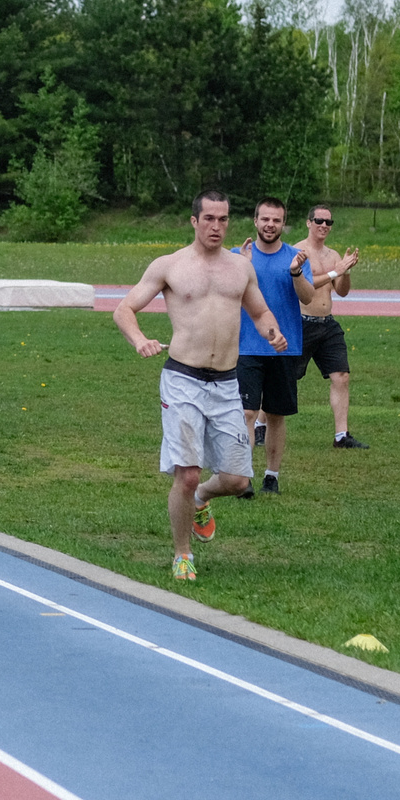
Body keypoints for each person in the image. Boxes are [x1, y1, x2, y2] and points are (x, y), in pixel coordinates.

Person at [113, 190, 287, 582]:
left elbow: (259, 311)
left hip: (227, 382)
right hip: (182, 380)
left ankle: (201, 499)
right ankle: (182, 554)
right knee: (187, 472)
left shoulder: (240, 268)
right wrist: (139, 339)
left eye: (223, 219)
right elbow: (124, 309)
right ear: (194, 221)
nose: (217, 226)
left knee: (237, 481)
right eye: (209, 218)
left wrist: (272, 332)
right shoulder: (170, 265)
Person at [234, 197, 314, 494]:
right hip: (247, 347)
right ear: (255, 221)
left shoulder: (297, 256)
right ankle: (243, 477)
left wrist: (295, 273)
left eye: (276, 220)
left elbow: (307, 298)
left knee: (277, 415)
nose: (270, 225)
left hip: (284, 348)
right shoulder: (238, 255)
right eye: (265, 219)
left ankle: (272, 476)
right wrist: (241, 267)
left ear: (283, 223)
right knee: (247, 413)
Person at [294, 203, 367, 449]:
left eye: (328, 222)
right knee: (284, 377)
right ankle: (261, 426)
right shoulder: (297, 251)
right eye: (319, 221)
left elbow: (342, 292)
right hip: (301, 323)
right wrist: (336, 272)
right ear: (308, 223)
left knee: (341, 376)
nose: (324, 226)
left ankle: (341, 436)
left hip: (327, 324)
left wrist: (345, 272)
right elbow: (303, 284)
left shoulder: (333, 255)